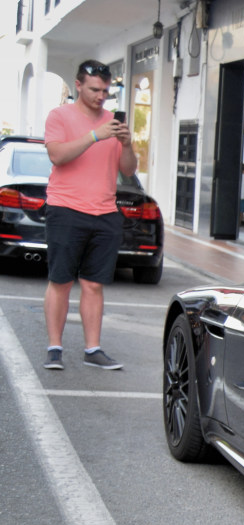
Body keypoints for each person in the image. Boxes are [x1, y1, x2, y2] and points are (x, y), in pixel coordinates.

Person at [41, 60, 137, 371]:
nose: (101, 96)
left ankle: (92, 349)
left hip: (105, 211)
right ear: (79, 85)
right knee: (61, 281)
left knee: (94, 284)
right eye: (95, 89)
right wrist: (95, 136)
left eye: (106, 90)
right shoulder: (60, 116)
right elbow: (57, 155)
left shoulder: (113, 122)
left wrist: (126, 144)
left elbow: (128, 170)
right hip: (65, 208)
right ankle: (54, 347)